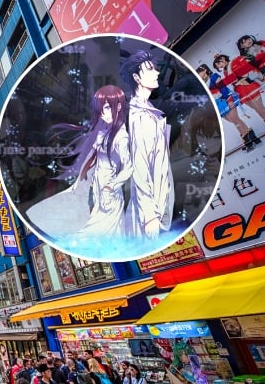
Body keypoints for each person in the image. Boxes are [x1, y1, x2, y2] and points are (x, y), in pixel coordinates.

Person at [27, 85, 133, 244]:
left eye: (106, 108)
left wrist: (112, 185)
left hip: (109, 188)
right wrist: (83, 173)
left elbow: (128, 167)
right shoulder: (104, 131)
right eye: (100, 110)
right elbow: (93, 155)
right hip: (97, 183)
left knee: (106, 228)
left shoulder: (121, 137)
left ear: (118, 107)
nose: (103, 114)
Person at [120, 50, 174, 241]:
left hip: (160, 204)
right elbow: (140, 164)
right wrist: (150, 215)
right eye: (150, 69)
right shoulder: (139, 115)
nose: (157, 73)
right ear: (136, 77)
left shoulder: (151, 110)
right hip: (150, 215)